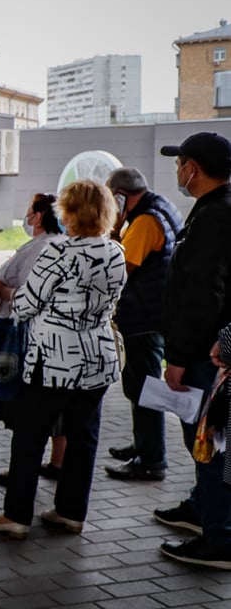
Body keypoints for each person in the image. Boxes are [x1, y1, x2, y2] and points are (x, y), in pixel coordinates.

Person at [0, 179, 126, 540]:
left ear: (70, 212)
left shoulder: (58, 252)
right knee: (84, 438)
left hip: (52, 360)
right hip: (97, 359)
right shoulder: (114, 252)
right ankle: (70, 512)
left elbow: (27, 303)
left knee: (30, 437)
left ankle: (16, 516)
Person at [156, 132, 231, 569]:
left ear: (193, 169)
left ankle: (219, 536)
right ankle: (205, 513)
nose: (178, 172)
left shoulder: (215, 218)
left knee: (208, 443)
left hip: (209, 355)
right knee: (211, 441)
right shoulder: (216, 211)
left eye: (180, 163)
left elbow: (203, 294)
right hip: (215, 348)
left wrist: (179, 357)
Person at [103, 166, 183, 482]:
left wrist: (114, 229)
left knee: (144, 389)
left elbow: (123, 268)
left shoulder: (145, 221)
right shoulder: (160, 206)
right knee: (140, 387)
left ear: (121, 197)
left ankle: (151, 459)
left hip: (144, 318)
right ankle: (143, 445)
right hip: (154, 313)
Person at [0, 193, 68, 486]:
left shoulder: (43, 249)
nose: (26, 216)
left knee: (24, 407)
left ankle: (22, 472)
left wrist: (2, 289)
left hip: (26, 336)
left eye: (29, 211)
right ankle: (55, 463)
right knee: (51, 408)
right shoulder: (61, 246)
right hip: (51, 341)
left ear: (40, 216)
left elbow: (31, 296)